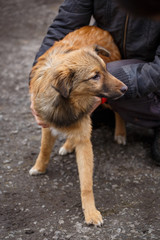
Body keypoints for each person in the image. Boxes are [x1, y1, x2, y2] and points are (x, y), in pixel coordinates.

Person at [30, 0, 160, 165]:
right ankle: (115, 108)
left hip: (152, 68)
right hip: (110, 56)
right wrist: (38, 82)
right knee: (93, 77)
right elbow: (64, 26)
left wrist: (102, 96)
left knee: (105, 77)